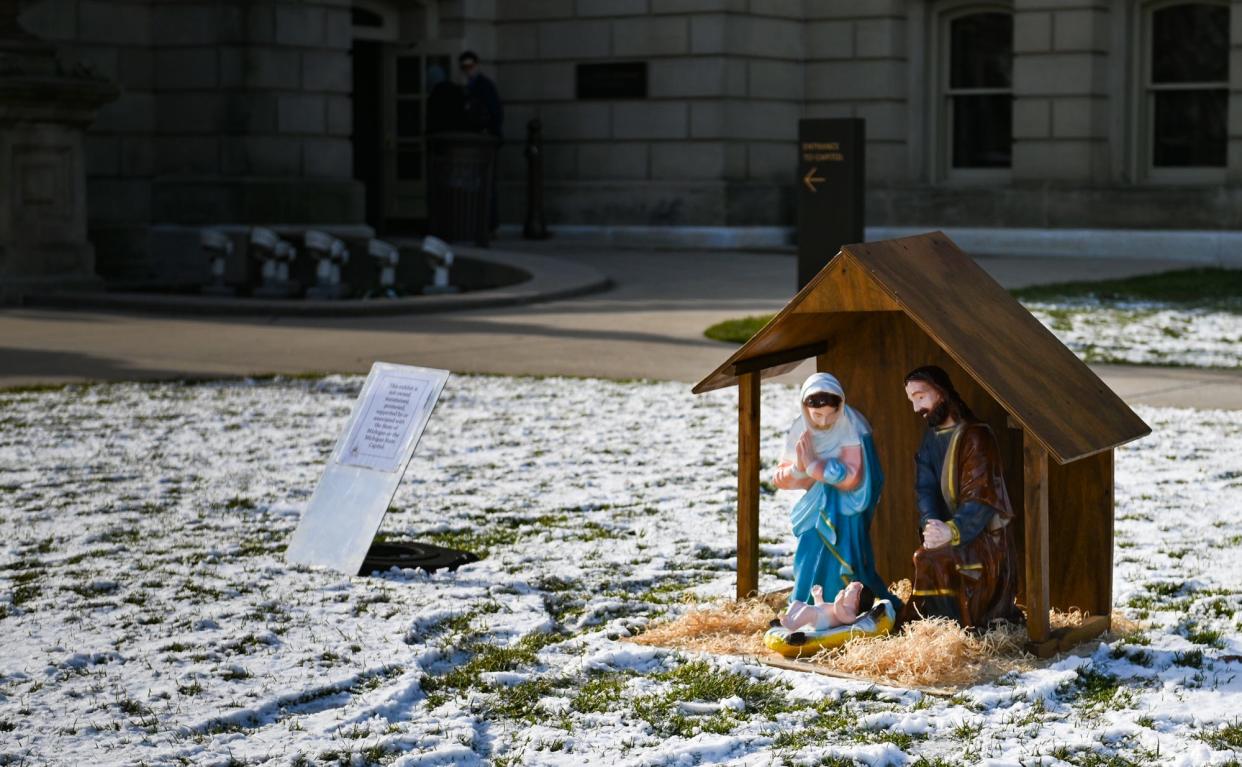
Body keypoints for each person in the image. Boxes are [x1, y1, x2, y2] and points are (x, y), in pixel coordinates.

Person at [898, 365, 1024, 630]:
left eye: (920, 397)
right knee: (924, 556)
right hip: (946, 534)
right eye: (912, 400)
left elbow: (982, 496)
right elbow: (925, 488)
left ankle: (965, 625)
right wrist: (931, 525)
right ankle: (936, 627)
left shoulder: (976, 436)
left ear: (941, 393)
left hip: (983, 538)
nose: (916, 408)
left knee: (936, 560)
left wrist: (952, 531)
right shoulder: (930, 440)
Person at [771, 373, 900, 625]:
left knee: (848, 563)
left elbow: (852, 477)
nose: (824, 422)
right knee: (808, 555)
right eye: (817, 415)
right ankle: (804, 610)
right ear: (805, 408)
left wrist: (814, 466)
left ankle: (845, 612)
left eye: (831, 414)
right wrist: (800, 468)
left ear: (840, 405)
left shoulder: (850, 426)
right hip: (814, 509)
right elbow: (780, 477)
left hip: (845, 510)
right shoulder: (801, 428)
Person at [459, 50, 503, 233]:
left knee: (486, 183)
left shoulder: (484, 86)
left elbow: (496, 114)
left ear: (477, 65)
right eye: (464, 67)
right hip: (473, 143)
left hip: (485, 142)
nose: (467, 70)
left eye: (470, 66)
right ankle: (478, 222)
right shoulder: (467, 87)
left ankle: (489, 224)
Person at [780, 581, 874, 632]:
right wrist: (818, 597)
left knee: (807, 609)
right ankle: (788, 617)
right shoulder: (841, 604)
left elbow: (840, 616)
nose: (845, 589)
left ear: (858, 598)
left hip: (822, 622)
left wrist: (838, 603)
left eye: (849, 589)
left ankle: (792, 625)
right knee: (797, 603)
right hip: (819, 614)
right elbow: (820, 607)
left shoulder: (851, 614)